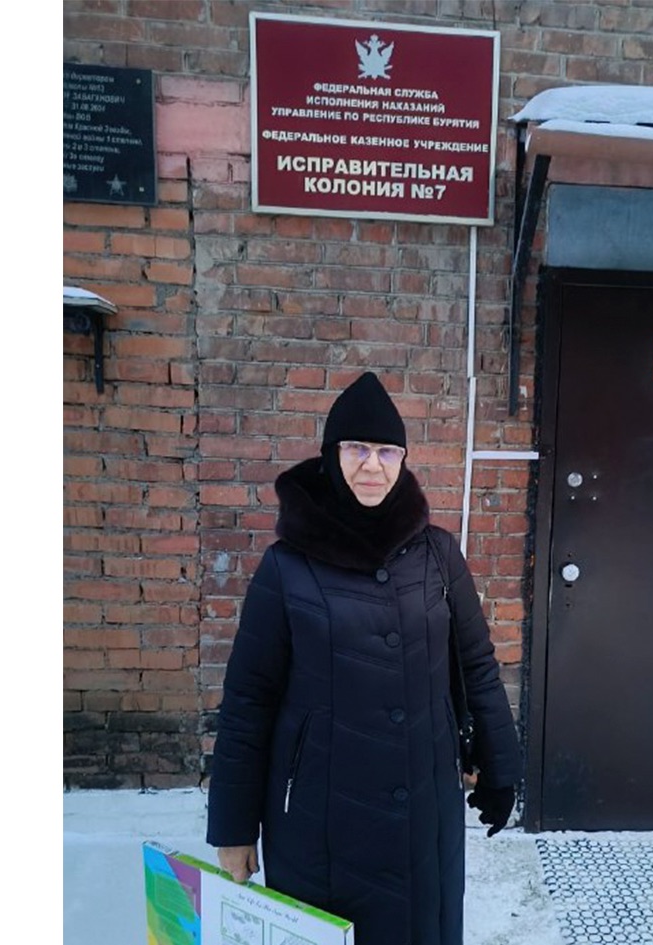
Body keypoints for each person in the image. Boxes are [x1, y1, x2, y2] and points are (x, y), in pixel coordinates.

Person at [206, 371, 523, 945]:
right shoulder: (286, 567)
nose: (371, 465)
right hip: (319, 825)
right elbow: (249, 700)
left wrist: (502, 768)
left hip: (425, 816)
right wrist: (232, 828)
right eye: (356, 449)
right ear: (332, 456)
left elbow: (477, 664)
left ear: (402, 460)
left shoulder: (437, 555)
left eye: (386, 451)